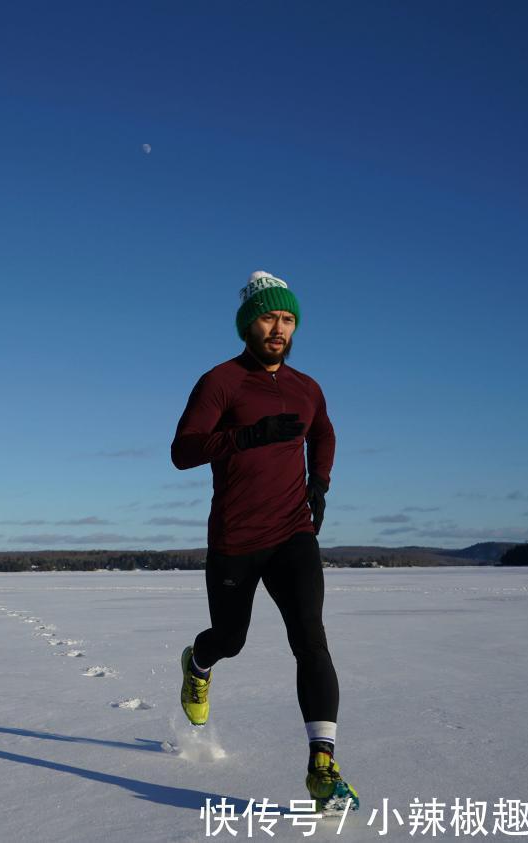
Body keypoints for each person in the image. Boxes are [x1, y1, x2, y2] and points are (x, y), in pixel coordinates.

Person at [170, 270, 358, 812]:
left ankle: (322, 767)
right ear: (248, 324)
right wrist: (245, 437)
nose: (279, 328)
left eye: (288, 319)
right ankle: (198, 665)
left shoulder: (307, 388)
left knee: (311, 640)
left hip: (293, 532)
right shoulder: (221, 382)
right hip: (236, 538)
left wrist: (319, 483)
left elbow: (323, 430)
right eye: (270, 318)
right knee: (230, 639)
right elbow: (183, 450)